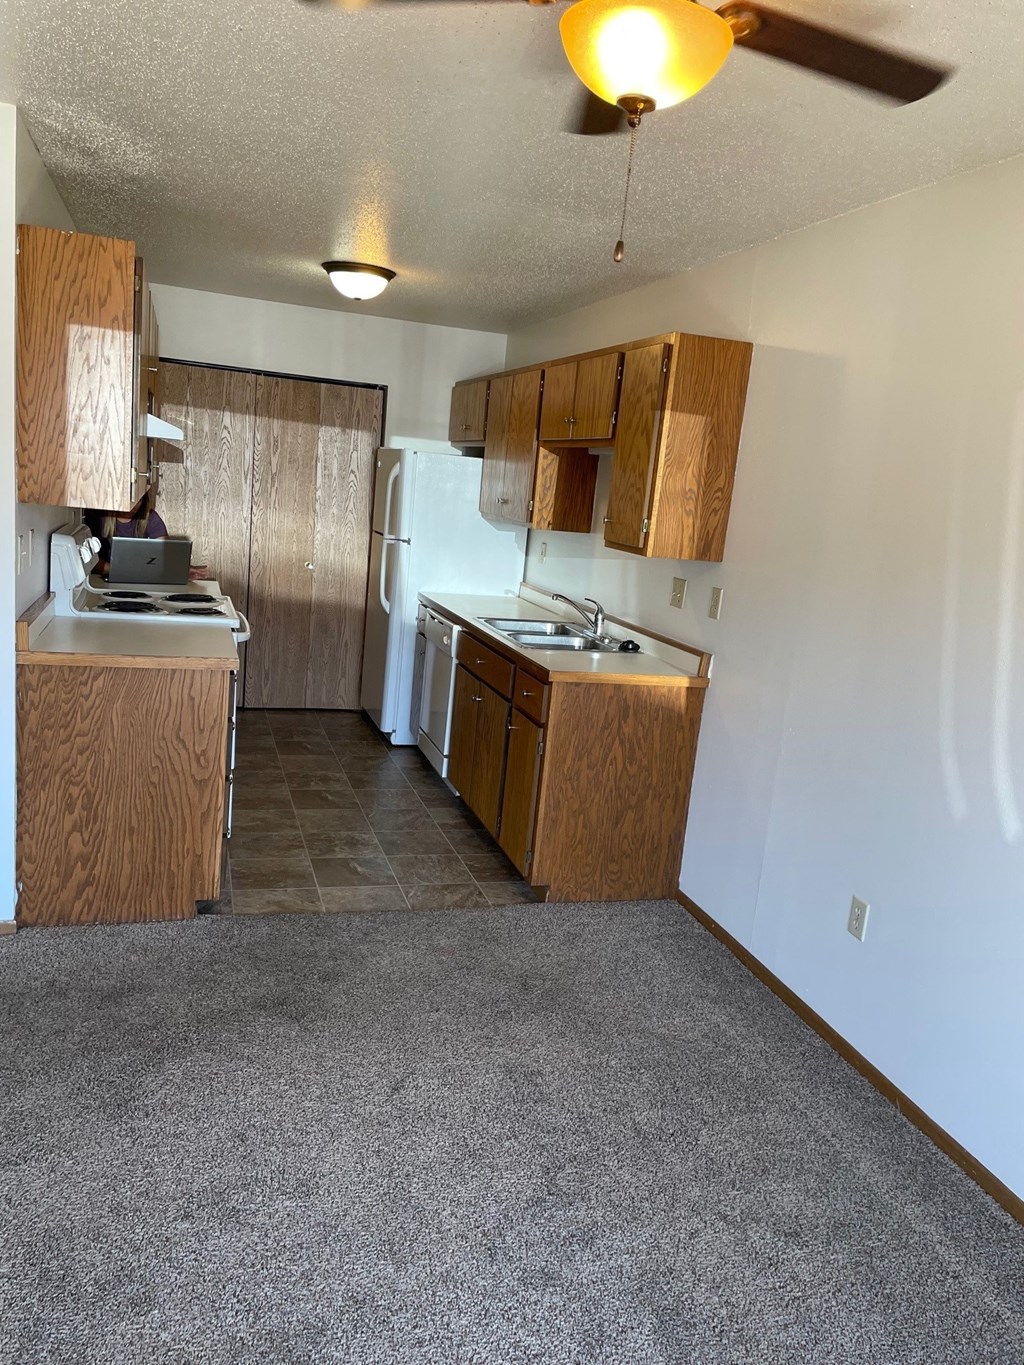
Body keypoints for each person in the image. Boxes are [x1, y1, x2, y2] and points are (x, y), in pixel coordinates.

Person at [85, 492, 168, 576]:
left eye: (136, 501)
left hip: (139, 575)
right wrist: (120, 571)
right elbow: (89, 560)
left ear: (143, 500)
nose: (130, 507)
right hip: (106, 575)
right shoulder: (100, 516)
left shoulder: (150, 517)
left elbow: (164, 553)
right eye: (125, 500)